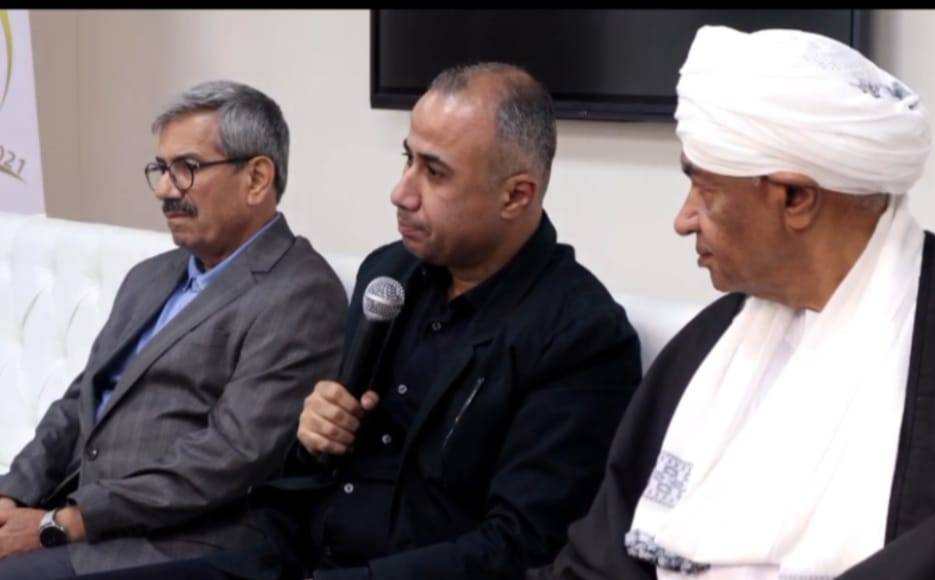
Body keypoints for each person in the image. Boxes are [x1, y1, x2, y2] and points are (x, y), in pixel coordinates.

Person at [78, 63, 642, 580]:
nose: (401, 192)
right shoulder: (390, 275)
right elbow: (306, 480)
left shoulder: (580, 334)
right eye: (407, 159)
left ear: (516, 195)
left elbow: (522, 547)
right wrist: (313, 439)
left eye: (435, 173)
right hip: (286, 560)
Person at [532, 25, 935, 580]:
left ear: (796, 197)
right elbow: (601, 558)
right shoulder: (707, 346)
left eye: (705, 189)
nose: (684, 220)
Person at [0, 80, 348, 578]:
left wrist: (63, 523)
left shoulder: (301, 294)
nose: (165, 189)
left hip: (173, 545)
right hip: (76, 515)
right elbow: (79, 401)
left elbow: (230, 456)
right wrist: (13, 493)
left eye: (187, 168)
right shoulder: (151, 276)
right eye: (161, 169)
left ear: (256, 178)